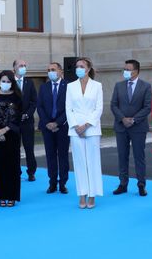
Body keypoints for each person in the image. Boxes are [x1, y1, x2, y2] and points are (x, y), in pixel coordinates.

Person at [65, 57, 103, 209]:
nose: (78, 69)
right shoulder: (70, 86)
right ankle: (82, 194)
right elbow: (68, 108)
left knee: (92, 162)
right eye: (77, 66)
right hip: (75, 130)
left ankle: (92, 195)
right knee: (79, 163)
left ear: (88, 69)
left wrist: (86, 125)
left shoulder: (97, 86)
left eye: (81, 66)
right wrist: (76, 126)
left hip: (92, 128)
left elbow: (99, 108)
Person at [110, 59, 151, 196]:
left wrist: (133, 120)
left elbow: (147, 107)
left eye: (128, 69)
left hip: (138, 127)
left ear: (136, 71)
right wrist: (122, 119)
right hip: (121, 127)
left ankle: (141, 184)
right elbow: (114, 105)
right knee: (122, 156)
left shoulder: (145, 86)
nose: (125, 72)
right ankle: (123, 184)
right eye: (125, 69)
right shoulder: (118, 85)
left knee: (139, 156)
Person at [0, 70, 22, 207]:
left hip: (11, 135)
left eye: (8, 81)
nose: (5, 83)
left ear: (12, 83)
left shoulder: (17, 97)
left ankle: (12, 196)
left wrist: (5, 130)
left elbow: (17, 118)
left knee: (12, 165)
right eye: (3, 81)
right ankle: (1, 196)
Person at [37, 62, 70, 194]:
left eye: (53, 69)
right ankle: (52, 183)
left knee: (62, 155)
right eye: (49, 70)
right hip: (47, 127)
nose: (51, 72)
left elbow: (70, 107)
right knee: (50, 155)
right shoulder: (44, 87)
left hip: (62, 127)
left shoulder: (68, 86)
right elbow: (40, 107)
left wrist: (57, 123)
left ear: (61, 71)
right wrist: (48, 123)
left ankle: (63, 183)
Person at [13, 60, 37, 181]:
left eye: (24, 66)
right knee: (14, 148)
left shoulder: (30, 82)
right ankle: (16, 171)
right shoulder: (9, 82)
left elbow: (34, 102)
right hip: (14, 122)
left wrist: (27, 114)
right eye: (21, 65)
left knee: (29, 148)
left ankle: (31, 172)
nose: (23, 67)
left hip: (27, 121)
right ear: (14, 68)